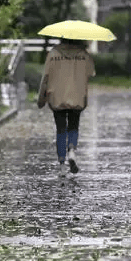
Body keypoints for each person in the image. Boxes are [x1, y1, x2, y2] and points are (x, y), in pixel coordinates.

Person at [36, 38, 95, 177]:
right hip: (76, 95)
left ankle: (62, 166)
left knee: (61, 129)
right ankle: (72, 151)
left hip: (57, 95)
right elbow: (91, 72)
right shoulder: (83, 54)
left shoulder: (53, 54)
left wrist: (41, 98)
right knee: (74, 126)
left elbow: (46, 76)